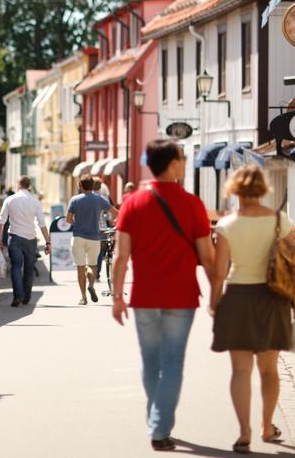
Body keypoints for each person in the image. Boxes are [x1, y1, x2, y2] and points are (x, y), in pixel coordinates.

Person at [111, 139, 214, 452]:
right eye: (182, 159)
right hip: (181, 297)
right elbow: (207, 256)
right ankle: (159, 427)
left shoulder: (132, 203)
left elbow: (120, 255)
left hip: (143, 296)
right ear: (171, 164)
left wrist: (117, 295)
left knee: (150, 361)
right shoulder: (192, 204)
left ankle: (156, 416)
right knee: (172, 364)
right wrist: (217, 292)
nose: (184, 164)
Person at [210, 166, 295, 454]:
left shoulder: (227, 225)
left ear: (235, 189)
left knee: (240, 370)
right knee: (269, 370)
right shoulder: (280, 221)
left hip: (238, 297)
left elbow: (219, 271)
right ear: (263, 188)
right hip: (273, 299)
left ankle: (244, 432)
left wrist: (214, 300)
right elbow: (294, 263)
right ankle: (267, 426)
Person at [0, 176, 51, 307]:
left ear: (18, 185)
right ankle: (26, 296)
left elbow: (1, 220)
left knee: (16, 266)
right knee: (29, 268)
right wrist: (47, 241)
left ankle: (18, 296)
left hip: (14, 237)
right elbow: (42, 223)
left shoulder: (10, 199)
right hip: (30, 238)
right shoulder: (35, 201)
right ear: (29, 186)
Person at [66, 174, 117, 304]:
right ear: (93, 186)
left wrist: (77, 222)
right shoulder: (99, 199)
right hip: (95, 237)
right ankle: (91, 285)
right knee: (93, 265)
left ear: (80, 185)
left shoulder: (74, 200)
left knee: (80, 268)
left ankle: (83, 297)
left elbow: (68, 219)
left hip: (78, 237)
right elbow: (116, 212)